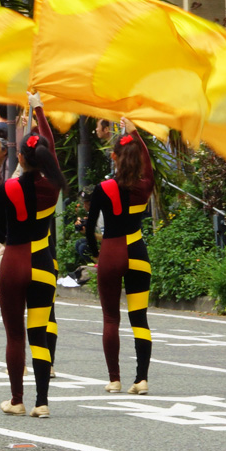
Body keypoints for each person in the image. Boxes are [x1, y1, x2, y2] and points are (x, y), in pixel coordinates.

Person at [0, 94, 64, 418]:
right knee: (38, 333)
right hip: (42, 262)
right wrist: (38, 108)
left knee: (14, 336)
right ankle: (42, 403)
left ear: (23, 159)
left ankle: (17, 399)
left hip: (14, 262)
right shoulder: (53, 186)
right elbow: (51, 148)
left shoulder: (10, 188)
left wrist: (8, 240)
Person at [85, 118, 153, 396]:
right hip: (137, 251)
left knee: (111, 319)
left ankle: (115, 379)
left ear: (113, 157)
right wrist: (134, 131)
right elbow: (147, 161)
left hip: (111, 254)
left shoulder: (103, 189)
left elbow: (90, 228)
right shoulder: (144, 184)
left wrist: (95, 253)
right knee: (140, 318)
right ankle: (142, 380)